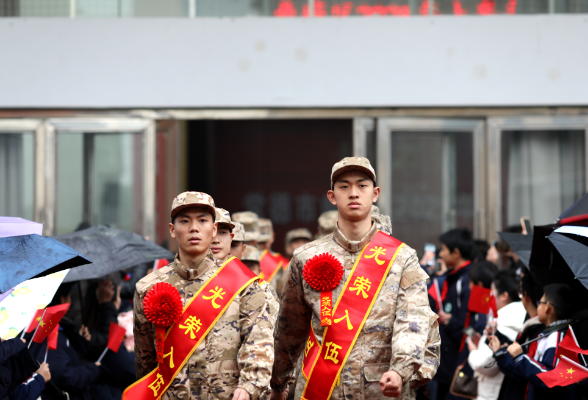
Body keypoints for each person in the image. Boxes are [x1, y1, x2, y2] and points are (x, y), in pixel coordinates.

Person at [270, 157, 437, 400]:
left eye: (362, 185)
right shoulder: (306, 257)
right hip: (321, 390)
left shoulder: (402, 258)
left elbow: (413, 321)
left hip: (381, 389)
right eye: (344, 186)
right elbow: (289, 329)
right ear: (332, 196)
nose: (354, 193)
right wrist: (279, 383)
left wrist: (400, 371)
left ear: (375, 193)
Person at [132, 191, 279, 400]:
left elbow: (258, 345)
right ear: (172, 230)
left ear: (214, 229)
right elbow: (146, 361)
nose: (194, 228)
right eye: (185, 221)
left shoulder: (246, 286)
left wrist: (248, 387)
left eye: (202, 220)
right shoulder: (149, 288)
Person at [492, 283, 576, 400]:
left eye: (539, 303)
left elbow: (551, 378)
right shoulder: (549, 334)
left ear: (547, 307)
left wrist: (520, 357)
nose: (537, 306)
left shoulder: (558, 337)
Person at [28, 282, 101, 400]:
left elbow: (68, 358)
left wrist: (79, 340)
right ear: (62, 299)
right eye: (69, 296)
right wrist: (92, 370)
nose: (71, 301)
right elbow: (60, 376)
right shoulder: (53, 333)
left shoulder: (41, 326)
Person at [466, 269, 525, 400]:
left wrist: (473, 351)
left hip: (493, 393)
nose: (489, 296)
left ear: (504, 295)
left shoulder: (509, 321)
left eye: (492, 291)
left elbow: (485, 364)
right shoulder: (508, 317)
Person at [433, 227, 477, 400]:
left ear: (456, 252)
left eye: (443, 249)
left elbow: (474, 324)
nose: (441, 254)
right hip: (448, 361)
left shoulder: (468, 280)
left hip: (458, 360)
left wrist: (450, 323)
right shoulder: (454, 277)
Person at [492, 271, 544, 400]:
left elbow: (526, 371)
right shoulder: (530, 323)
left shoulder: (540, 331)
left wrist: (501, 353)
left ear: (526, 296)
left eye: (521, 292)